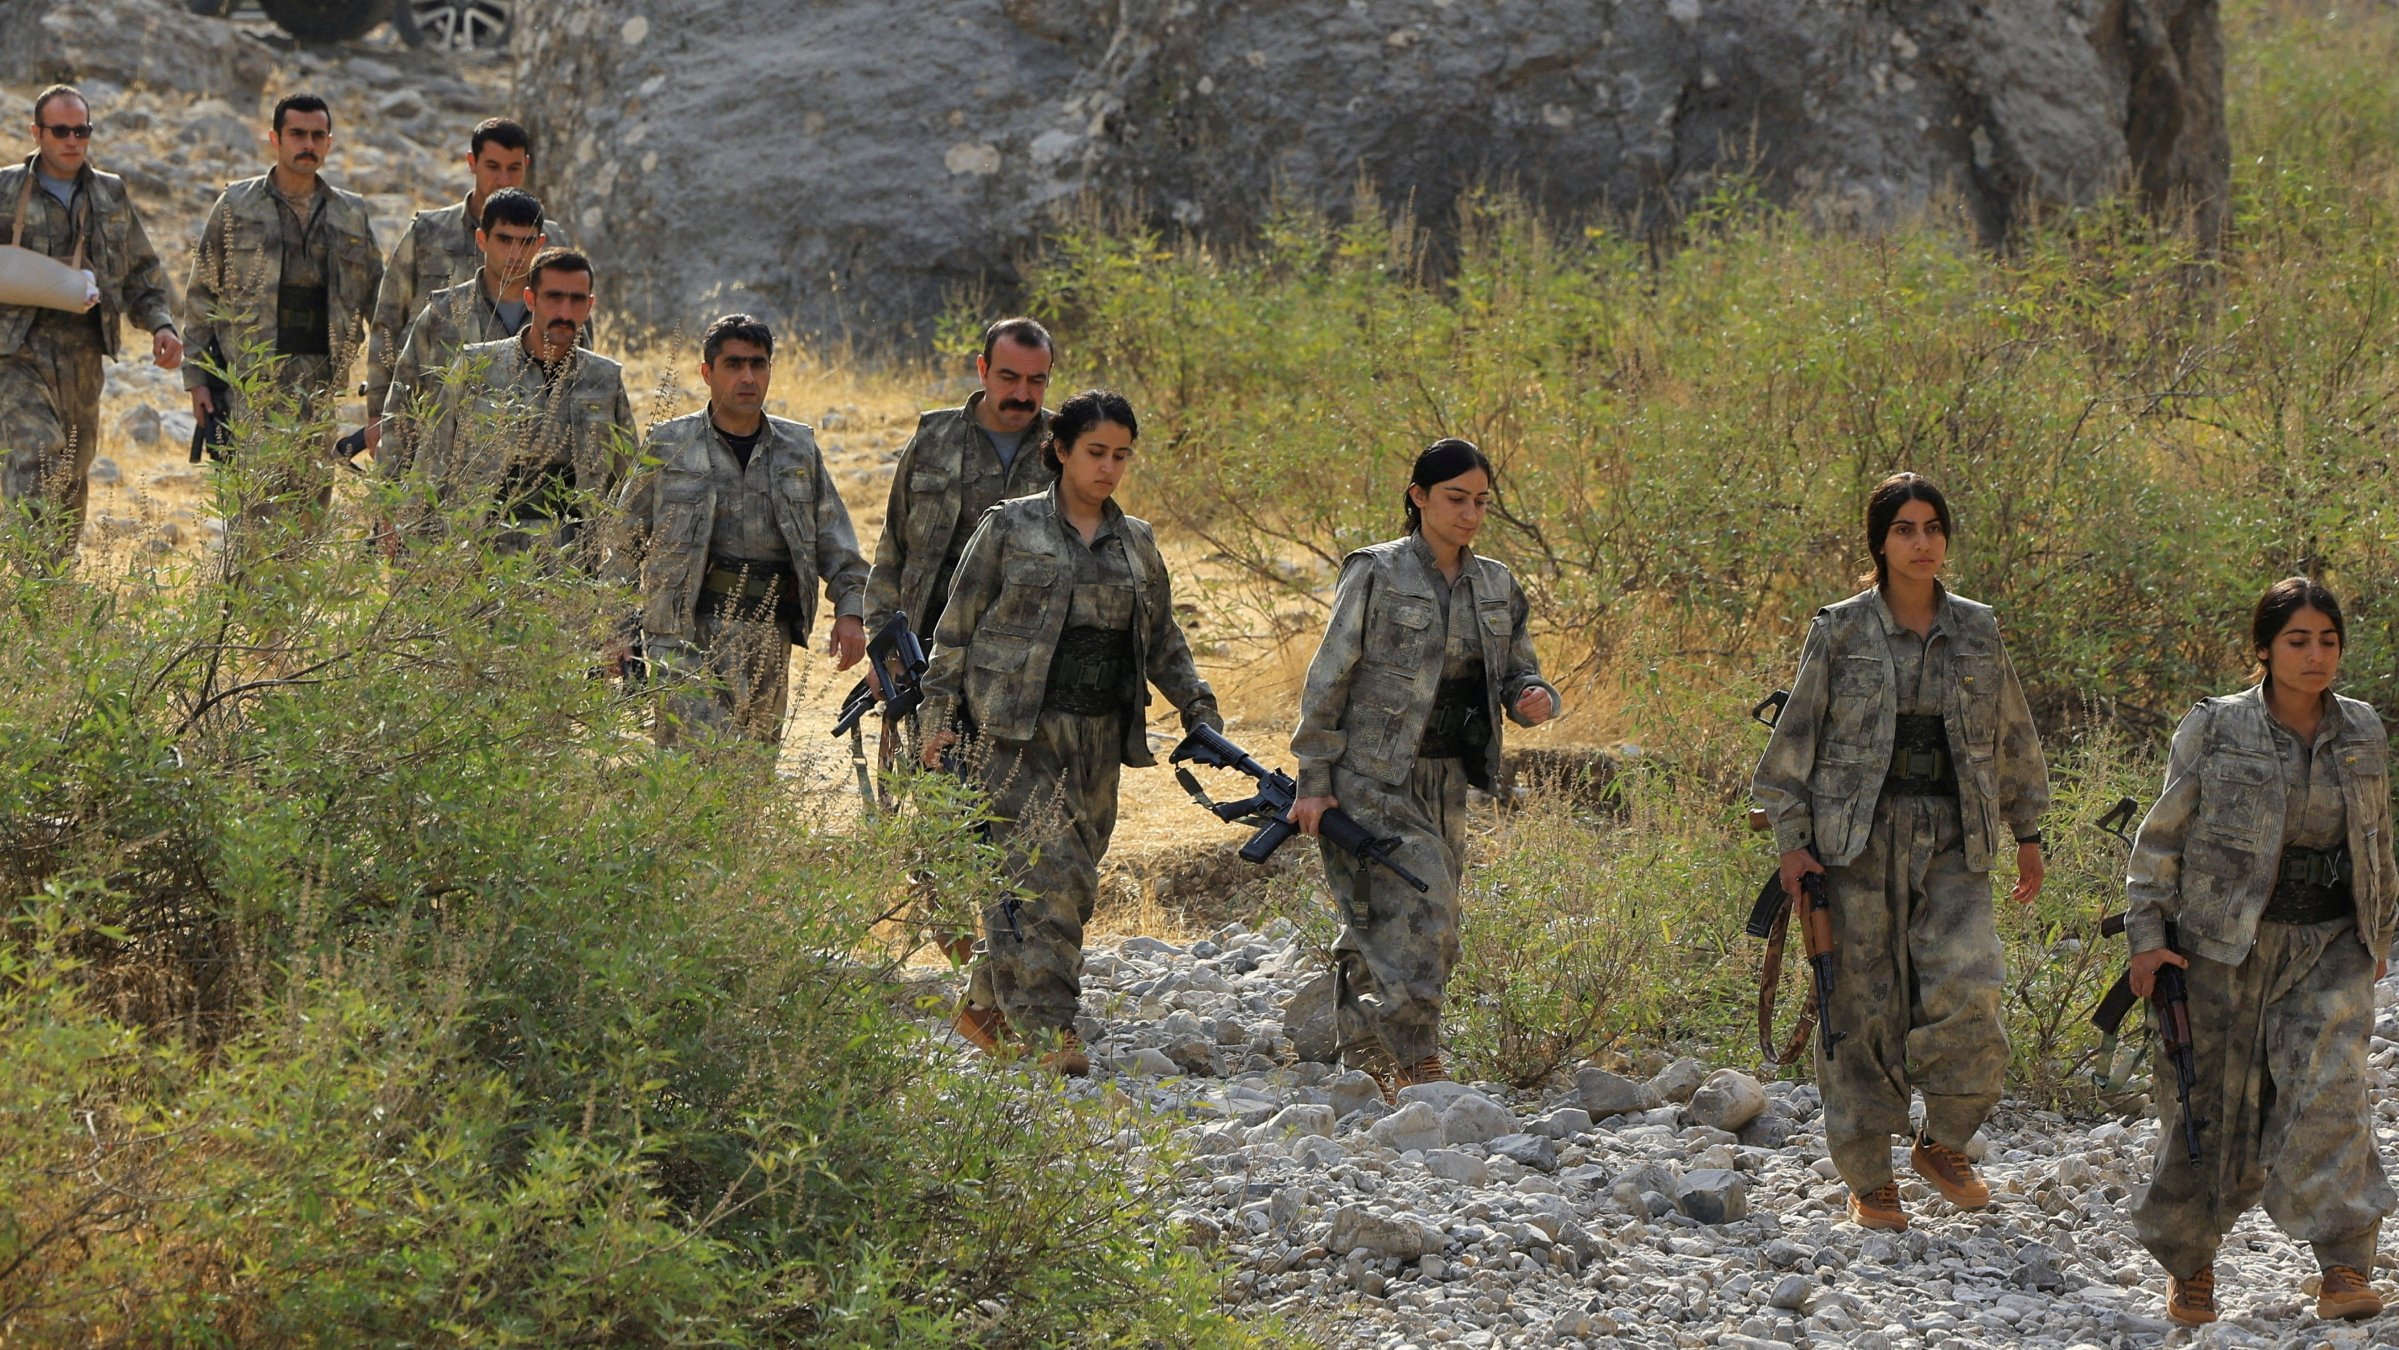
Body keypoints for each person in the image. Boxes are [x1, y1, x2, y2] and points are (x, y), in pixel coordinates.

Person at [1750, 471, 2049, 1232]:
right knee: (1858, 1007)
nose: (1922, 543)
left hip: (1955, 836)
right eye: (1904, 530)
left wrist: (2029, 833)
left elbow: (2012, 735)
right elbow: (1793, 748)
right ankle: (1869, 1176)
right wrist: (1793, 845)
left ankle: (1944, 1140)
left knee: (1972, 989)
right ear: (1879, 544)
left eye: (1932, 527)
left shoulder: (1977, 628)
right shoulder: (1841, 629)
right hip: (1855, 841)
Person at [2121, 577, 2398, 1327]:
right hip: (2223, 949)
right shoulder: (2215, 727)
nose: (2315, 656)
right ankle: (2191, 1268)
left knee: (2331, 1100)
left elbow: (2375, 838)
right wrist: (2146, 937)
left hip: (2331, 944)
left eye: (2327, 641)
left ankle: (2343, 1265)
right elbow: (2162, 838)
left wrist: (2377, 933)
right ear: (2264, 650)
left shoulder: (2363, 729)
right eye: (2296, 641)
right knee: (2207, 1106)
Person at [918, 390, 1219, 1076]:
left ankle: (987, 1005)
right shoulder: (1009, 528)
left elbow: (1163, 638)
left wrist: (1196, 706)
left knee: (1072, 882)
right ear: (1059, 450)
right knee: (1040, 878)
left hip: (1099, 737)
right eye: (1095, 453)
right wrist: (937, 719)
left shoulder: (1135, 541)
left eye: (1120, 456)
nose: (1108, 468)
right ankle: (1050, 1033)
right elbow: (955, 630)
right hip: (1013, 735)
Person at [1286, 439, 1561, 1096]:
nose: (1468, 515)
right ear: (1418, 498)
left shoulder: (1494, 583)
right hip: (1372, 778)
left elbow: (1520, 670)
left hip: (1447, 780)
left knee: (1391, 918)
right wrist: (1313, 783)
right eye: (1454, 499)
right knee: (1423, 912)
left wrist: (1535, 699)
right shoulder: (1375, 572)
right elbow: (1328, 680)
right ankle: (1418, 1061)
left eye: (1479, 502)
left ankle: (1363, 1053)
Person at [611, 313, 868, 745]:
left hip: (768, 635)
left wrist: (851, 610)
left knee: (751, 775)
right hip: (685, 635)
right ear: (707, 373)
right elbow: (621, 541)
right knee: (688, 770)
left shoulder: (797, 449)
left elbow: (836, 541)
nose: (748, 377)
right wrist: (616, 628)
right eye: (734, 365)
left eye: (758, 364)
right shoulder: (668, 445)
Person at [0, 84, 181, 564]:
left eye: (81, 130)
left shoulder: (110, 192)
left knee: (72, 476)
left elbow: (141, 270)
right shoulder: (5, 190)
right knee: (38, 455)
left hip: (83, 355)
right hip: (16, 354)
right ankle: (34, 582)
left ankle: (55, 593)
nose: (72, 140)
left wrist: (162, 326)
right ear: (37, 133)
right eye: (60, 131)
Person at [181, 93, 382, 522]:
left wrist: (385, 389)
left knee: (310, 506)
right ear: (275, 138)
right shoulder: (237, 205)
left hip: (320, 380)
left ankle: (297, 591)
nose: (307, 144)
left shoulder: (351, 214)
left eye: (317, 135)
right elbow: (202, 294)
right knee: (254, 512)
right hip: (253, 380)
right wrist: (197, 378)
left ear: (328, 142)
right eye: (297, 134)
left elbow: (378, 303)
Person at [402, 247, 634, 561]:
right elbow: (432, 462)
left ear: (590, 305)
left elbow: (629, 484)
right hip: (482, 553)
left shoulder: (604, 380)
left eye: (577, 300)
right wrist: (415, 552)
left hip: (572, 557)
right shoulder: (478, 366)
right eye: (554, 297)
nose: (565, 312)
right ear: (530, 299)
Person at [363, 117, 568, 455]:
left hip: (526, 419)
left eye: (513, 169)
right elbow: (388, 320)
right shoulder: (428, 233)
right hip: (438, 415)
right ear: (471, 163)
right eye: (492, 167)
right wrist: (376, 412)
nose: (503, 179)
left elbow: (573, 327)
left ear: (526, 166)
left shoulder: (551, 240)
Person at [862, 316, 1056, 641]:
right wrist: (885, 642)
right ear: (983, 370)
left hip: (1022, 652)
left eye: (1036, 381)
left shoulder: (1063, 449)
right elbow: (892, 548)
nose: (1022, 394)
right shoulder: (933, 440)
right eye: (1008, 378)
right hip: (926, 641)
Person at [370, 187, 546, 472]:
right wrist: (391, 492)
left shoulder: (556, 316)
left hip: (531, 487)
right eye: (504, 240)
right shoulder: (444, 313)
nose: (515, 253)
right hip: (448, 483)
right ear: (481, 239)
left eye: (525, 242)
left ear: (540, 244)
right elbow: (403, 403)